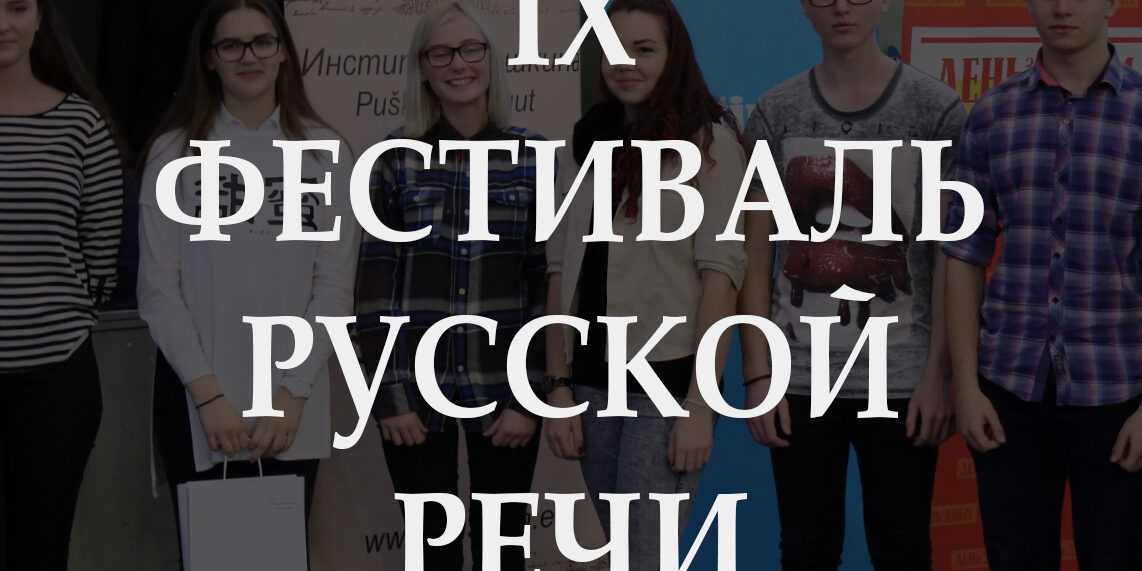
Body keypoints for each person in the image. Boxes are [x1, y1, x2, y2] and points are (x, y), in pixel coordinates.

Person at [739, 0, 965, 568]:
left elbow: (949, 255)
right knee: (806, 551)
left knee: (903, 549)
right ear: (804, 7)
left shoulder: (936, 109)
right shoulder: (775, 112)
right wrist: (760, 374)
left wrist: (939, 376)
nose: (842, 6)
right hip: (800, 381)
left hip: (904, 381)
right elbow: (755, 252)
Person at [137, 0, 357, 564]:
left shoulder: (325, 152)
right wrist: (209, 397)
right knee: (210, 558)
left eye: (262, 42)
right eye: (230, 45)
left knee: (277, 557)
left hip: (290, 409)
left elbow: (333, 289)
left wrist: (292, 392)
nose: (248, 56)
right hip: (199, 404)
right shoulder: (174, 150)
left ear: (283, 53)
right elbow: (158, 291)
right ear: (209, 59)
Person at [542, 0, 747, 568]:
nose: (625, 62)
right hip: (591, 385)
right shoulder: (584, 143)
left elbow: (721, 281)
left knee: (646, 559)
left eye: (644, 49)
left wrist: (700, 405)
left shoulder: (710, 147)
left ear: (672, 57)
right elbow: (561, 270)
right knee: (624, 556)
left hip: (668, 390)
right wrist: (558, 387)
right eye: (614, 49)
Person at [945, 0, 1142, 569]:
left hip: (1119, 391)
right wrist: (966, 387)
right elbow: (962, 253)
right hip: (1009, 390)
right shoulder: (992, 113)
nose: (1061, 7)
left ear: (1111, 3)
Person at [353, 3, 546, 569]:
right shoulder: (393, 162)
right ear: (422, 68)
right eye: (440, 53)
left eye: (470, 50)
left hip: (505, 392)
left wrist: (527, 399)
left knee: (501, 555)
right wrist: (389, 399)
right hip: (413, 396)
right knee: (431, 556)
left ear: (492, 60)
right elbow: (372, 296)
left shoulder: (533, 159)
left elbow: (546, 291)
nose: (457, 64)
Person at [0, 0, 123, 567]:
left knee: (42, 550)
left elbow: (101, 257)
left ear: (40, 18)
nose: (3, 24)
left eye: (17, 8)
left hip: (54, 379)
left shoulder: (81, 124)